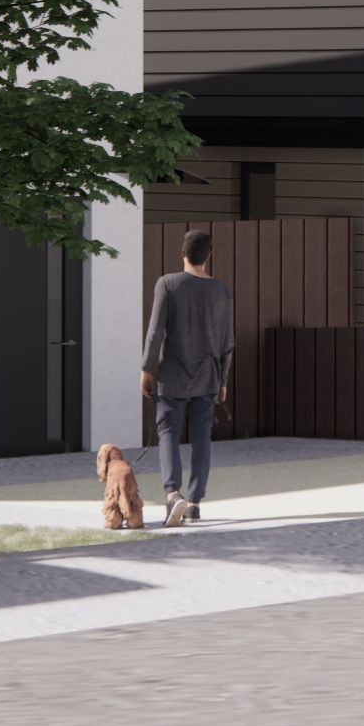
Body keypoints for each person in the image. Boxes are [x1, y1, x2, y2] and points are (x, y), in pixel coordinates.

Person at [141, 225, 235, 526]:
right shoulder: (221, 290)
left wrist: (147, 369)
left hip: (172, 374)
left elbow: (155, 332)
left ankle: (172, 494)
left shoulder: (167, 284)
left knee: (168, 432)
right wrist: (223, 381)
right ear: (209, 256)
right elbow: (227, 341)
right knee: (201, 439)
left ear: (182, 253)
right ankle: (194, 503)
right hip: (208, 375)